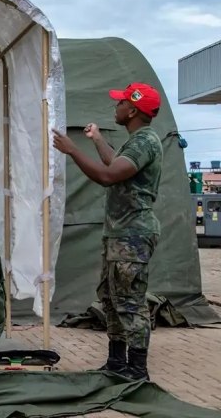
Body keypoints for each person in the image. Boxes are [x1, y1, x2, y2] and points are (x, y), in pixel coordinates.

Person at [52, 82, 163, 381]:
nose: (116, 107)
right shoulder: (136, 140)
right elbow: (114, 163)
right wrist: (97, 139)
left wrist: (73, 149)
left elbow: (107, 176)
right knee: (111, 298)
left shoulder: (144, 141)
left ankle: (137, 370)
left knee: (130, 302)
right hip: (119, 234)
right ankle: (116, 362)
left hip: (133, 235)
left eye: (121, 103)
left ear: (133, 111)